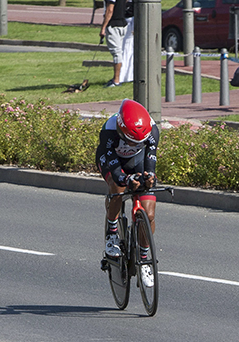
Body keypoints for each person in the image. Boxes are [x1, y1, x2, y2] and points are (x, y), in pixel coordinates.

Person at [95, 99, 159, 286]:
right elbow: (114, 169)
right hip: (112, 162)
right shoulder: (109, 131)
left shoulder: (153, 131)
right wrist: (125, 179)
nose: (134, 144)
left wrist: (149, 177)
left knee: (150, 212)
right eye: (131, 141)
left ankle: (145, 258)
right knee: (118, 188)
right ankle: (112, 232)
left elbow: (151, 160)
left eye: (138, 142)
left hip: (137, 161)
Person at [100, 0, 133, 87]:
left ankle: (116, 80)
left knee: (117, 53)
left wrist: (103, 27)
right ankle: (119, 77)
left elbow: (109, 10)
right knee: (120, 51)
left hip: (114, 25)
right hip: (123, 24)